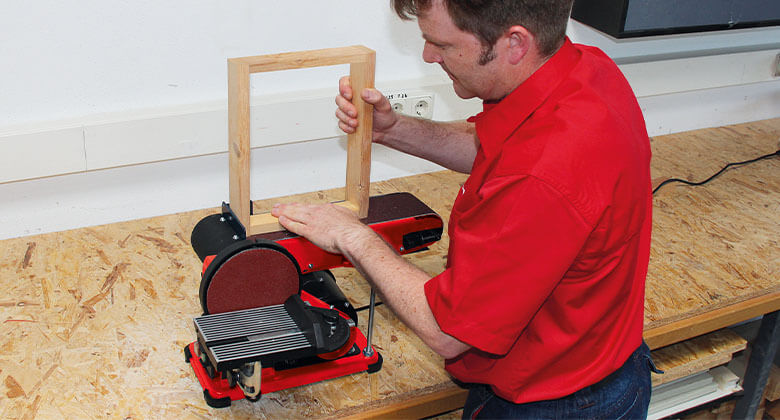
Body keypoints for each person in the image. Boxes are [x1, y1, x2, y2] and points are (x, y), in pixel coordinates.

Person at [271, 0, 657, 417]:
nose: (428, 56)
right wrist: (396, 129)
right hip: (600, 361)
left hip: (557, 403)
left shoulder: (542, 174)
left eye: (441, 43)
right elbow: (498, 148)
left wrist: (350, 236)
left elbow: (447, 331)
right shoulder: (586, 69)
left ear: (514, 43)